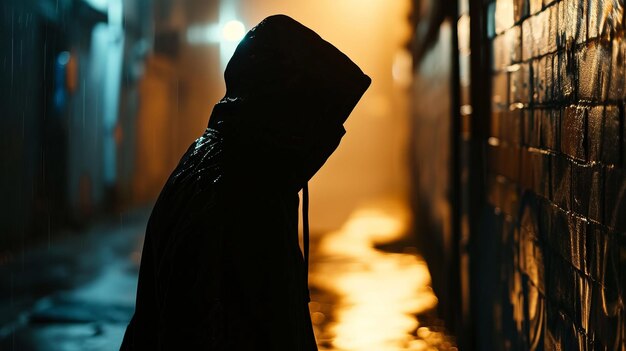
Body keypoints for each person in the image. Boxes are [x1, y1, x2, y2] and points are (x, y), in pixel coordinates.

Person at [120, 14, 370, 350]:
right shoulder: (245, 194)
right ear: (285, 111)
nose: (321, 139)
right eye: (314, 119)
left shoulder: (210, 159)